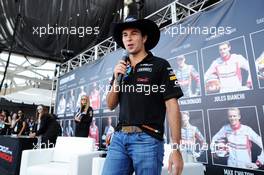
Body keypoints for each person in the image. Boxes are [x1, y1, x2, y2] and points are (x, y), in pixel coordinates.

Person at [102, 16, 184, 175]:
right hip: (119, 139)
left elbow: (172, 106)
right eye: (125, 35)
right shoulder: (120, 67)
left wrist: (175, 148)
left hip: (148, 140)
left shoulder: (160, 65)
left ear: (144, 38)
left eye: (134, 33)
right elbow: (110, 104)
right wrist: (116, 81)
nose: (129, 38)